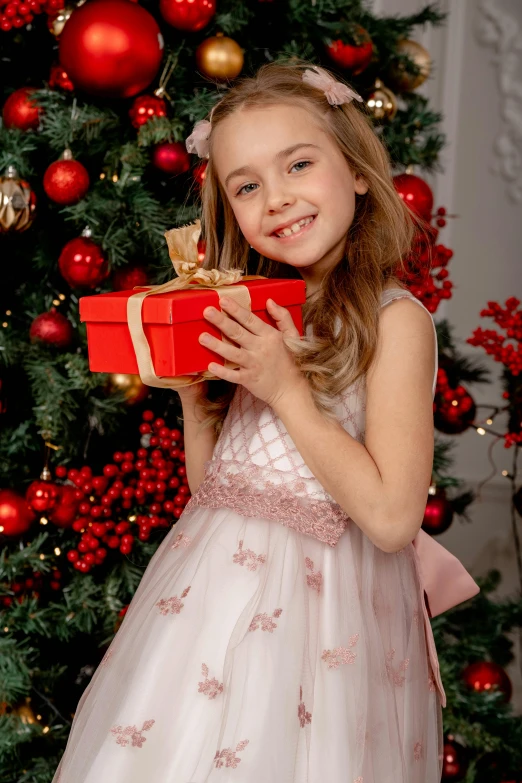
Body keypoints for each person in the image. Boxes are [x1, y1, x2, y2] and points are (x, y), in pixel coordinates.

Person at [53, 60, 479, 783]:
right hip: (208, 613)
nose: (276, 199)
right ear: (229, 208)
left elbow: (389, 517)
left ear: (356, 172)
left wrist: (286, 390)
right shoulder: (254, 304)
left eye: (299, 164)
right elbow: (220, 491)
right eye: (247, 185)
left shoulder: (394, 321)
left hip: (320, 631)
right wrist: (196, 403)